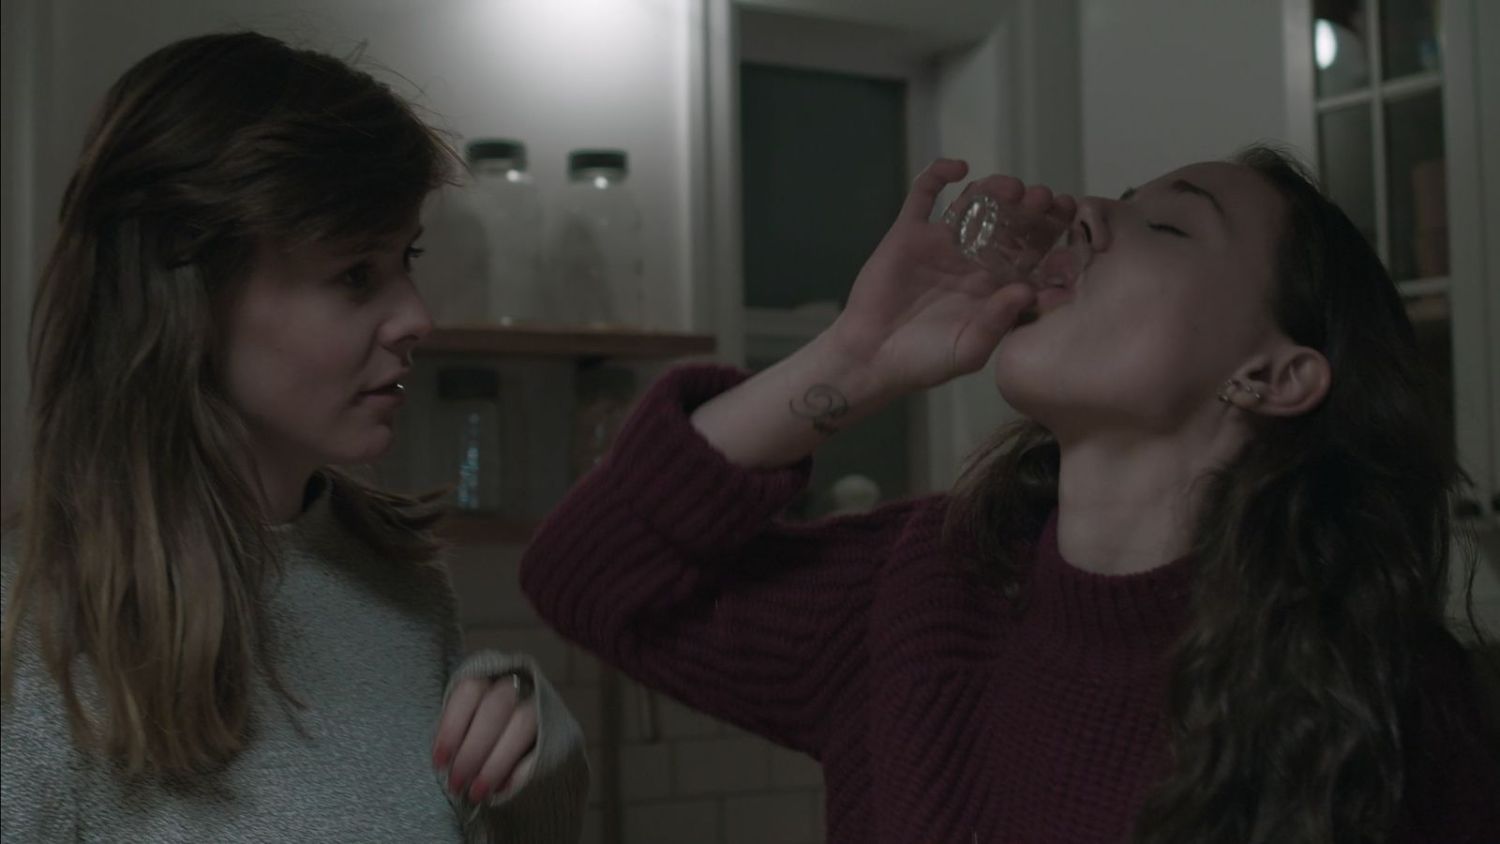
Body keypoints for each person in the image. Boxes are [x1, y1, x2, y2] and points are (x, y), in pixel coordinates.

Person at [520, 147, 1499, 842]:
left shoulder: (1377, 695)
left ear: (1274, 375)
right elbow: (585, 573)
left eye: (1168, 222)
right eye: (1119, 198)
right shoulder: (920, 592)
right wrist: (854, 359)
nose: (1088, 212)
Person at [1, 31, 587, 842]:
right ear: (189, 299)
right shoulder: (29, 634)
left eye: (406, 259)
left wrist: (534, 776)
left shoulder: (401, 586)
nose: (417, 317)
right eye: (355, 274)